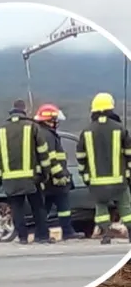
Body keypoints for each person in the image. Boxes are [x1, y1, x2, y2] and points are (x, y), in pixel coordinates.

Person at [0, 99, 53, 244]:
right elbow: (43, 152)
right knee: (38, 207)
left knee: (17, 209)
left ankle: (22, 238)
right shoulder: (32, 127)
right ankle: (42, 236)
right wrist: (46, 173)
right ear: (24, 111)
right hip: (32, 178)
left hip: (10, 179)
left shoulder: (0, 130)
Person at [76, 92, 131, 245]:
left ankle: (106, 234)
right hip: (119, 180)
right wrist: (128, 174)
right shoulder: (120, 129)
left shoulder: (86, 131)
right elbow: (129, 154)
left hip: (97, 182)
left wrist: (85, 177)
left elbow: (81, 157)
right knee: (126, 207)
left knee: (101, 209)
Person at [33, 103, 85, 240]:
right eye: (55, 120)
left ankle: (41, 234)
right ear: (48, 120)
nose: (57, 123)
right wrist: (60, 175)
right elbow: (51, 157)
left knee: (46, 208)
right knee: (63, 207)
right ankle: (67, 232)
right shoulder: (47, 135)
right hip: (54, 180)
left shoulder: (42, 133)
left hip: (47, 180)